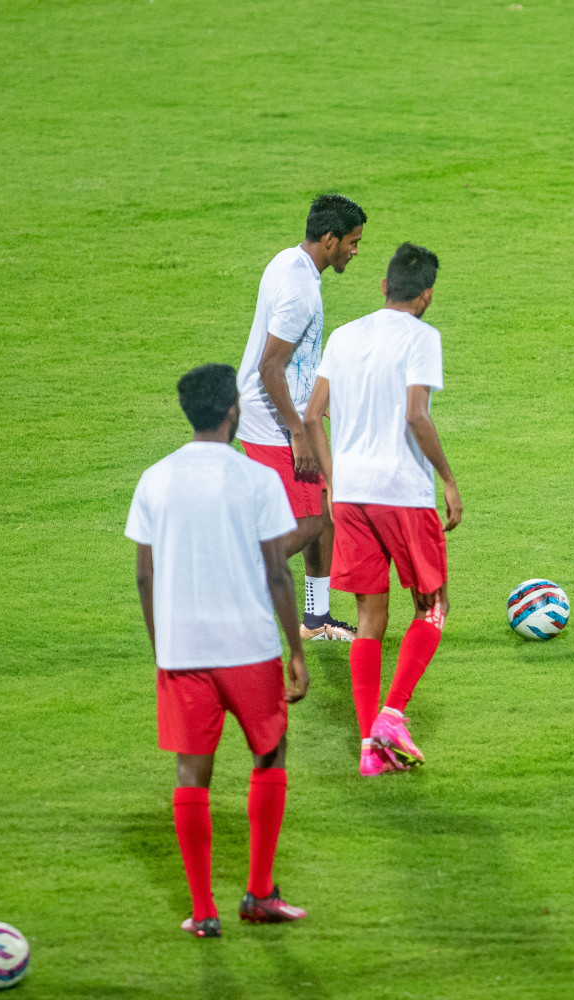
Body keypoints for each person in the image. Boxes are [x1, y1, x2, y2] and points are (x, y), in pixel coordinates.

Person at [126, 364, 311, 939]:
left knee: (191, 774)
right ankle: (258, 893)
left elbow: (144, 576)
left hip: (184, 653)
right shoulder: (255, 479)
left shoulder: (155, 479)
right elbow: (279, 572)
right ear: (233, 410)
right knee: (270, 753)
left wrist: (164, 650)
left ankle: (203, 911)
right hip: (249, 648)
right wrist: (296, 651)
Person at [303, 243, 462, 776]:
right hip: (402, 492)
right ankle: (391, 716)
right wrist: (448, 478)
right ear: (426, 295)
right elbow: (417, 413)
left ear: (382, 287)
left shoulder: (344, 336)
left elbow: (312, 414)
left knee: (370, 621)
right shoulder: (423, 337)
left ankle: (371, 746)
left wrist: (331, 477)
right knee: (431, 610)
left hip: (350, 495)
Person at [236, 193, 366, 641]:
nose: (355, 250)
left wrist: (315, 402)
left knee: (322, 516)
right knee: (308, 521)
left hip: (284, 410)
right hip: (274, 420)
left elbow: (291, 361)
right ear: (329, 239)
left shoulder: (289, 262)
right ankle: (236, 580)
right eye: (351, 242)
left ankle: (316, 617)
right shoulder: (300, 290)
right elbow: (270, 366)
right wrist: (297, 429)